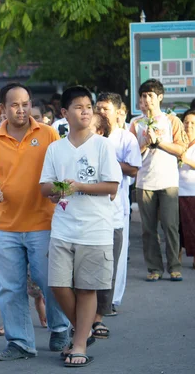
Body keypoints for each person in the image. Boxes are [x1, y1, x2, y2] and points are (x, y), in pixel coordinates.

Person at [0, 83, 70, 361]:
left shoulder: (48, 134)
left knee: (50, 281)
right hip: (5, 226)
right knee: (9, 287)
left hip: (43, 223)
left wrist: (59, 192)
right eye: (15, 105)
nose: (22, 109)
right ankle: (20, 342)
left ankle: (61, 327)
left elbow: (62, 171)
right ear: (2, 109)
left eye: (26, 103)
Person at [40, 85, 122, 368]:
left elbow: (112, 185)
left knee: (87, 288)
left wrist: (80, 187)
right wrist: (56, 190)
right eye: (78, 107)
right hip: (63, 226)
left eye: (89, 106)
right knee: (58, 284)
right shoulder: (55, 148)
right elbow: (44, 186)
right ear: (64, 113)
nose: (85, 111)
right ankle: (83, 331)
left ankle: (78, 343)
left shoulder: (102, 145)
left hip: (95, 228)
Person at [129, 79, 188, 282]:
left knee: (171, 226)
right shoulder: (136, 123)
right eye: (143, 96)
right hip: (144, 182)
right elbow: (131, 155)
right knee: (148, 229)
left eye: (151, 95)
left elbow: (181, 149)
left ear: (160, 97)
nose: (147, 100)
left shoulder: (172, 121)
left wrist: (159, 142)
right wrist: (145, 142)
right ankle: (154, 267)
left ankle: (174, 266)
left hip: (168, 181)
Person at [95, 93, 141, 317]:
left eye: (106, 109)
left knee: (117, 256)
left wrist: (109, 161)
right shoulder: (90, 136)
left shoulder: (125, 138)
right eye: (98, 108)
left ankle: (113, 299)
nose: (101, 112)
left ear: (117, 112)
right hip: (92, 206)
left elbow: (133, 169)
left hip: (117, 205)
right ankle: (94, 300)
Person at [178, 110, 195, 268]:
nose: (189, 125)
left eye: (192, 123)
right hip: (175, 192)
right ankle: (176, 259)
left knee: (193, 227)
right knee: (177, 227)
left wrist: (186, 160)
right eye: (186, 122)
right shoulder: (177, 143)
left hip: (192, 192)